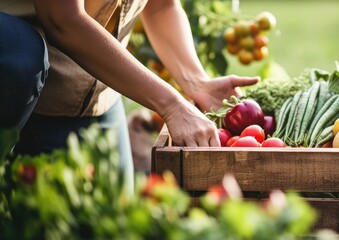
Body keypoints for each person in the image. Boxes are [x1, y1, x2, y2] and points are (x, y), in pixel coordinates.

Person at [0, 0, 259, 189]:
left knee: (120, 220)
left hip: (102, 96)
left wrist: (196, 81)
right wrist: (172, 105)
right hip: (34, 96)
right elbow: (63, 20)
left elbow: (161, 6)